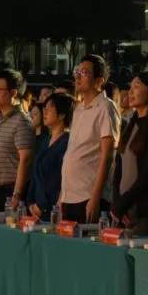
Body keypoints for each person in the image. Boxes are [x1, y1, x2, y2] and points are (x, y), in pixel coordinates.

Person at [59, 55, 121, 223]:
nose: (78, 77)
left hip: (89, 195)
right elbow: (72, 152)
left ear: (99, 81)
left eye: (84, 72)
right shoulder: (78, 109)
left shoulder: (106, 107)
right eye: (77, 72)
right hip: (70, 195)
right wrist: (62, 196)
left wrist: (95, 197)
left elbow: (108, 155)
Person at [112, 72, 148, 235]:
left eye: (136, 87)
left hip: (144, 210)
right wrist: (118, 202)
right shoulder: (131, 123)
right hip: (125, 209)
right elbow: (119, 167)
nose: (130, 92)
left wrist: (125, 202)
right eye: (130, 87)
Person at [0, 69, 35, 213]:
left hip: (11, 192)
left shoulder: (21, 121)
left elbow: (25, 160)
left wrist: (16, 195)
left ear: (13, 93)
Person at [26, 93, 74, 222]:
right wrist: (30, 202)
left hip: (52, 209)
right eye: (44, 109)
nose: (44, 113)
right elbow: (34, 174)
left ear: (62, 115)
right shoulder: (44, 141)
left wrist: (42, 205)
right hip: (34, 208)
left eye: (49, 109)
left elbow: (59, 179)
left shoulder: (67, 142)